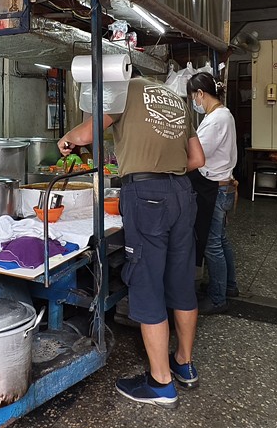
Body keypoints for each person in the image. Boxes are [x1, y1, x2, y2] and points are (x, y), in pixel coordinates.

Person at [59, 74, 204, 407]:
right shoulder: (175, 100)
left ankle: (160, 383)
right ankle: (184, 363)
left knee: (147, 282)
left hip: (147, 196)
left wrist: (67, 139)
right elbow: (197, 160)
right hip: (183, 193)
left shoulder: (122, 91)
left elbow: (86, 133)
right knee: (181, 282)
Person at [186, 72, 239, 314]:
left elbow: (196, 157)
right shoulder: (221, 115)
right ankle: (228, 286)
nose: (194, 102)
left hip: (215, 188)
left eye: (193, 97)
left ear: (200, 93)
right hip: (223, 185)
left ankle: (218, 298)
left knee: (212, 244)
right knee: (221, 240)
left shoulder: (217, 118)